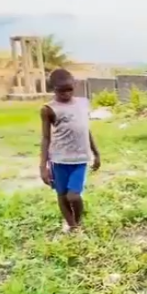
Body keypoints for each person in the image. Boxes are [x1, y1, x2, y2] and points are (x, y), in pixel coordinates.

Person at [39, 69, 100, 233]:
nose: (66, 94)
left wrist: (96, 153)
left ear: (74, 86)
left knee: (73, 195)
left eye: (69, 89)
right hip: (59, 160)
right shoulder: (48, 109)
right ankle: (71, 225)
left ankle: (76, 223)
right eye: (61, 91)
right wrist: (42, 166)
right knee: (61, 194)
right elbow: (46, 138)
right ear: (53, 89)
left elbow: (86, 130)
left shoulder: (82, 103)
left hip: (80, 159)